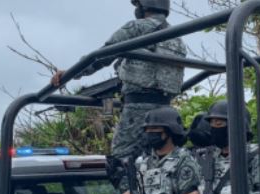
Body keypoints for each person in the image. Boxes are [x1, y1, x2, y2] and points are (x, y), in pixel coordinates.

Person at [51, 0, 187, 169]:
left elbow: (102, 55)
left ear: (143, 7)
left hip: (138, 107)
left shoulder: (136, 27)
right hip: (167, 109)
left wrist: (71, 73)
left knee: (120, 160)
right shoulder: (176, 36)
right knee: (154, 159)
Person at [119, 107, 200, 194]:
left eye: (155, 129)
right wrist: (130, 193)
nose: (149, 133)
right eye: (147, 130)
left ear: (169, 132)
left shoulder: (184, 161)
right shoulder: (144, 162)